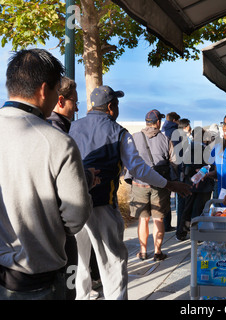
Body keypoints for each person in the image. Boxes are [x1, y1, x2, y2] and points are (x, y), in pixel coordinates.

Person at [69, 86, 191, 300]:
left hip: (74, 206)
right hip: (102, 206)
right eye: (116, 104)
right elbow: (138, 169)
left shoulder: (72, 128)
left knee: (80, 259)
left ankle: (83, 296)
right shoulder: (118, 132)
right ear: (110, 107)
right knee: (112, 263)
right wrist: (169, 184)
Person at [0, 49, 92, 300]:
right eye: (56, 92)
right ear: (44, 90)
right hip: (40, 278)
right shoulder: (58, 142)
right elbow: (76, 216)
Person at [47, 76, 101, 300]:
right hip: (60, 226)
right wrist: (88, 178)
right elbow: (61, 180)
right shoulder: (58, 133)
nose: (77, 107)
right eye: (74, 101)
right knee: (68, 276)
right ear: (60, 101)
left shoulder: (55, 127)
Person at [124, 109, 177, 261]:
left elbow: (128, 160)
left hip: (139, 185)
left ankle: (142, 251)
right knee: (159, 220)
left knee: (143, 220)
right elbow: (174, 162)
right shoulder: (165, 139)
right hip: (160, 185)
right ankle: (158, 252)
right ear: (158, 122)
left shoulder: (134, 138)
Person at [176, 127, 215, 241]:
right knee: (200, 210)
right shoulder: (206, 149)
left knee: (186, 209)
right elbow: (210, 165)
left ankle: (181, 232)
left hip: (190, 183)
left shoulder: (187, 148)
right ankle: (197, 235)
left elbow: (182, 165)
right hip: (203, 184)